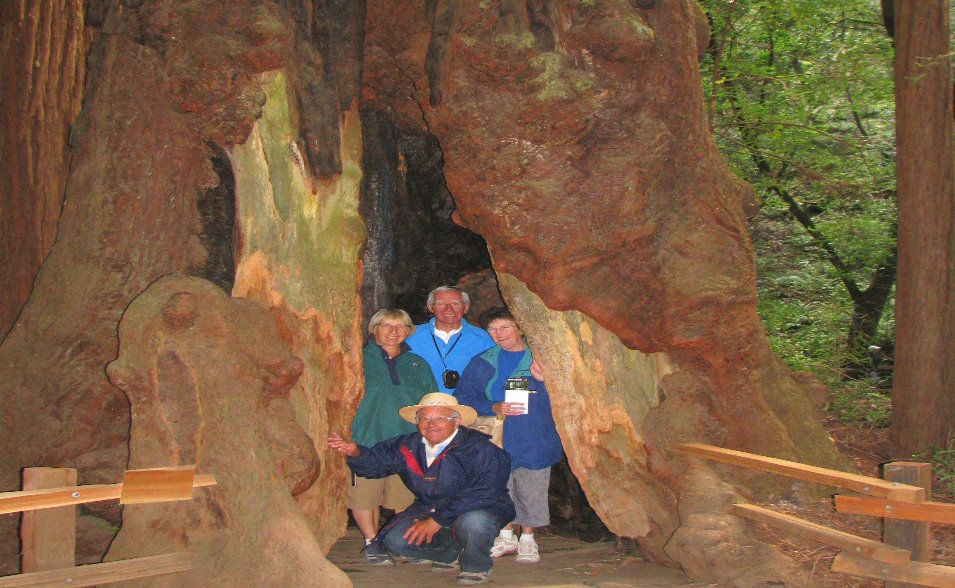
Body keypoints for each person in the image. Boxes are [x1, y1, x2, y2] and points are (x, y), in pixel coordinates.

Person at [328, 393, 515, 586]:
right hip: (433, 509)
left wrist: (438, 519)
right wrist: (355, 452)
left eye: (440, 418)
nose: (431, 424)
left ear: (457, 421)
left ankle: (476, 566)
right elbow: (377, 463)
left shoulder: (481, 449)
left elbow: (484, 493)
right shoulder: (408, 446)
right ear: (417, 422)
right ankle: (449, 554)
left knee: (475, 523)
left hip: (481, 509)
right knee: (395, 538)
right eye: (424, 418)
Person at [453, 307, 562, 565]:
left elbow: (567, 397)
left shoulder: (541, 358)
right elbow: (462, 398)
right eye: (492, 329)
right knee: (500, 486)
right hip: (495, 436)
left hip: (533, 434)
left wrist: (544, 381)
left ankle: (528, 539)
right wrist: (493, 406)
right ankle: (506, 535)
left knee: (531, 486)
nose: (498, 334)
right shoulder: (483, 361)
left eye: (505, 327)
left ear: (520, 328)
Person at [349, 309, 437, 565]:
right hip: (366, 440)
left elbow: (431, 401)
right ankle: (372, 542)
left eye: (400, 326)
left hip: (407, 443)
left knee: (405, 498)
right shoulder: (358, 360)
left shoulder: (417, 364)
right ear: (373, 329)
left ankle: (403, 543)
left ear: (408, 331)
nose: (393, 331)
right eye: (386, 325)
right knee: (364, 496)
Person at [406, 286, 493, 393]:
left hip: (465, 402)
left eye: (455, 303)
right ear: (430, 307)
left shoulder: (483, 339)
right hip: (421, 400)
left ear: (466, 307)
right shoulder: (410, 335)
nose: (448, 309)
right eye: (441, 304)